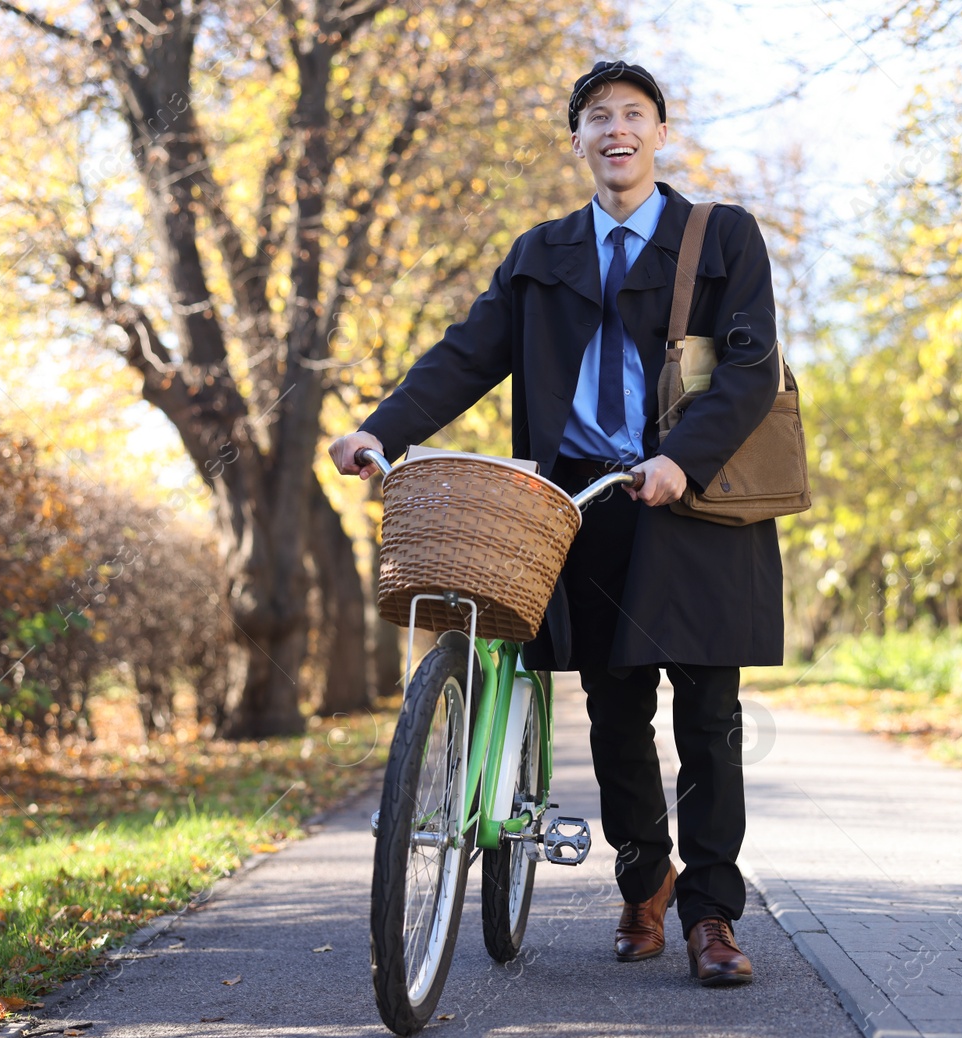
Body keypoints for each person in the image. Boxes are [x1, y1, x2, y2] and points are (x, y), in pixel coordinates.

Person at [328, 60, 782, 988]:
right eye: (597, 119)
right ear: (575, 141)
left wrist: (679, 457)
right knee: (616, 713)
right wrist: (381, 427)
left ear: (660, 133)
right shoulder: (540, 253)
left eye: (634, 115)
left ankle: (714, 915)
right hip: (582, 503)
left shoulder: (724, 238)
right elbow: (466, 356)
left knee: (709, 714)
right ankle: (644, 881)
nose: (616, 131)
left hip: (693, 502)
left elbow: (748, 370)